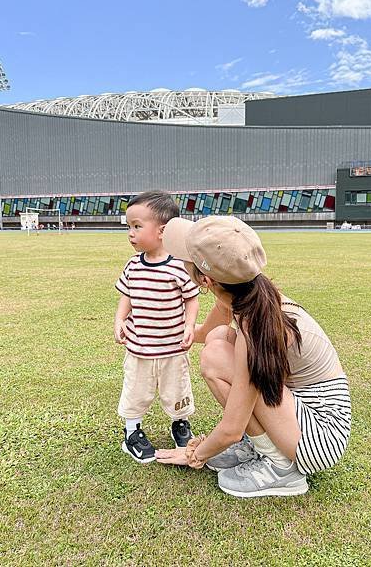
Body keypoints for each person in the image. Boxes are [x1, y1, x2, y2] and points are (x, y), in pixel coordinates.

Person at [156, 216, 351, 498]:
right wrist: (164, 332)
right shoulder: (249, 294)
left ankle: (281, 469)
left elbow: (231, 429)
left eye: (187, 259)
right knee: (217, 339)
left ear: (206, 280)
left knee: (215, 356)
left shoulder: (254, 328)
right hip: (301, 412)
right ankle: (262, 445)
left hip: (320, 436)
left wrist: (195, 453)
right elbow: (207, 332)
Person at [114, 191, 199, 464]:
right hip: (139, 348)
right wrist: (119, 320)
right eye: (128, 227)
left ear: (162, 231)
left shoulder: (179, 267)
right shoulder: (132, 267)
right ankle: (132, 433)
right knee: (136, 391)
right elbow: (126, 297)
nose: (131, 233)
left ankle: (180, 424)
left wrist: (189, 327)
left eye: (137, 226)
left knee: (177, 390)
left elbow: (191, 299)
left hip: (173, 347)